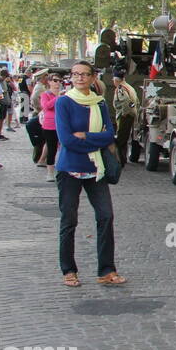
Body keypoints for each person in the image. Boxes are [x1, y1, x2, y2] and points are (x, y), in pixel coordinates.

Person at [55, 61, 126, 287]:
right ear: (72, 77)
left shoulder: (100, 103)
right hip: (69, 170)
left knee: (106, 217)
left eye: (85, 74)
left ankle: (107, 270)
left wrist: (85, 136)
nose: (80, 78)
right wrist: (94, 140)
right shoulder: (64, 102)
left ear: (93, 77)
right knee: (69, 221)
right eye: (76, 74)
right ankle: (69, 271)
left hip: (96, 170)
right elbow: (66, 140)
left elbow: (109, 135)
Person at [110, 71, 139, 165]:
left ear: (116, 80)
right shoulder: (129, 87)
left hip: (124, 116)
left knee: (120, 139)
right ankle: (123, 159)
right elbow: (136, 102)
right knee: (124, 138)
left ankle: (119, 160)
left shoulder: (121, 88)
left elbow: (125, 100)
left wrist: (125, 113)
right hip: (130, 114)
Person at [38, 73, 63, 178]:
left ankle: (63, 169)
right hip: (50, 125)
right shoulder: (45, 94)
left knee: (63, 147)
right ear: (49, 82)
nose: (57, 83)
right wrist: (57, 97)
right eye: (55, 80)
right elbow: (46, 106)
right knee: (51, 148)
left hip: (62, 124)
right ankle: (50, 172)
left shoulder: (64, 94)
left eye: (59, 80)